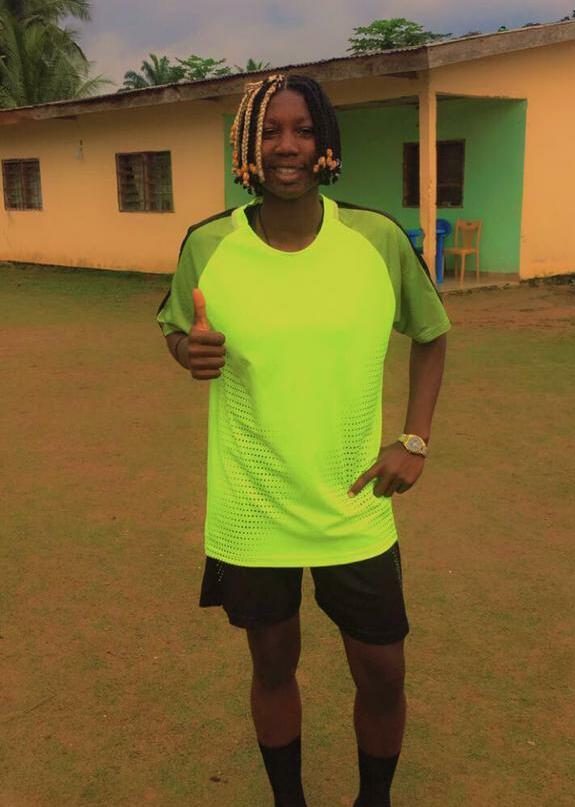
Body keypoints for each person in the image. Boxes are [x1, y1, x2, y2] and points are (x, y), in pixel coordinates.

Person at [156, 73, 450, 807]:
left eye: (302, 129)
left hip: (355, 504)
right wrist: (189, 353)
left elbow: (431, 333)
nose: (286, 145)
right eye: (269, 131)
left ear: (326, 144)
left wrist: (414, 440)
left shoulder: (377, 240)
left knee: (383, 672)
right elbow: (178, 330)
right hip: (253, 504)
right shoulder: (208, 244)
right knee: (272, 663)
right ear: (246, 146)